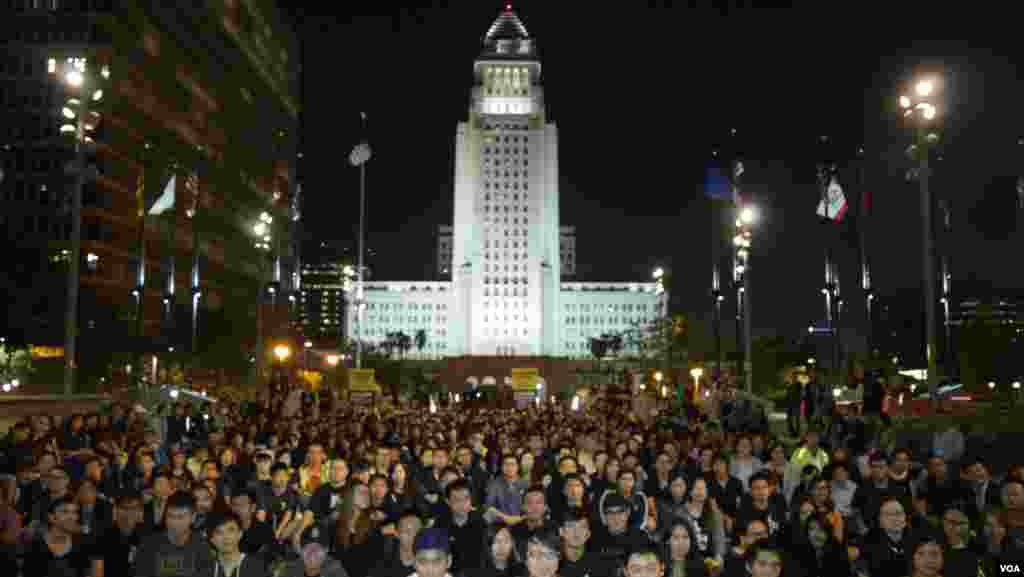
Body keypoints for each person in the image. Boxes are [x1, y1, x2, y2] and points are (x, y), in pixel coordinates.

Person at [134, 491, 216, 577]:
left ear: (193, 517)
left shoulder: (202, 548)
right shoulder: (149, 545)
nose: (174, 522)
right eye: (170, 516)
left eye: (181, 517)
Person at [21, 495, 101, 577]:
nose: (72, 517)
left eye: (74, 512)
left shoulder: (83, 545)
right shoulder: (34, 547)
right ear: (51, 517)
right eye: (65, 512)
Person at [205, 511, 269, 577]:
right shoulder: (205, 569)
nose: (226, 537)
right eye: (219, 532)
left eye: (231, 530)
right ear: (212, 539)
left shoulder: (256, 567)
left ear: (240, 534)